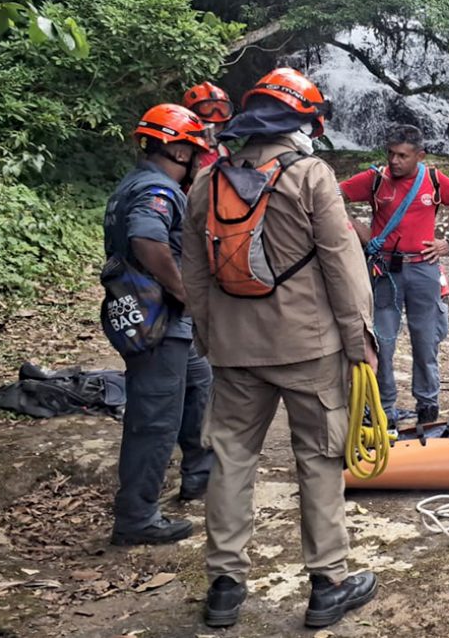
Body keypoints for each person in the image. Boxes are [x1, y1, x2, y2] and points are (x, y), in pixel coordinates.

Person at [181, 68, 379, 629]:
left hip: (234, 350)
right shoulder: (311, 175)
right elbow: (343, 265)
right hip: (308, 348)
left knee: (230, 459)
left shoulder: (207, 181)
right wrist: (360, 340)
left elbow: (194, 272)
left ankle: (224, 587)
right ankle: (327, 585)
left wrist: (209, 334)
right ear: (301, 122)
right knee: (318, 460)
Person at [104, 103, 215, 546]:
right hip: (160, 322)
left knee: (198, 384)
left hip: (165, 324)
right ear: (175, 148)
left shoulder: (133, 184)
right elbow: (147, 239)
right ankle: (137, 517)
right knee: (154, 419)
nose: (196, 160)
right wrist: (185, 290)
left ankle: (200, 474)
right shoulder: (157, 189)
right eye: (192, 150)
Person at [340, 126, 449, 427]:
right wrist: (360, 231)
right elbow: (330, 196)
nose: (394, 161)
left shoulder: (434, 180)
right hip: (384, 270)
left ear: (420, 156)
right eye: (390, 153)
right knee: (382, 342)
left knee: (425, 340)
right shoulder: (375, 179)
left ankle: (428, 407)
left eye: (402, 155)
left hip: (423, 269)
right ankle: (383, 409)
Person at [182, 81, 235, 169]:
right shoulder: (181, 152)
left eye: (217, 125)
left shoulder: (225, 153)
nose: (212, 131)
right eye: (207, 124)